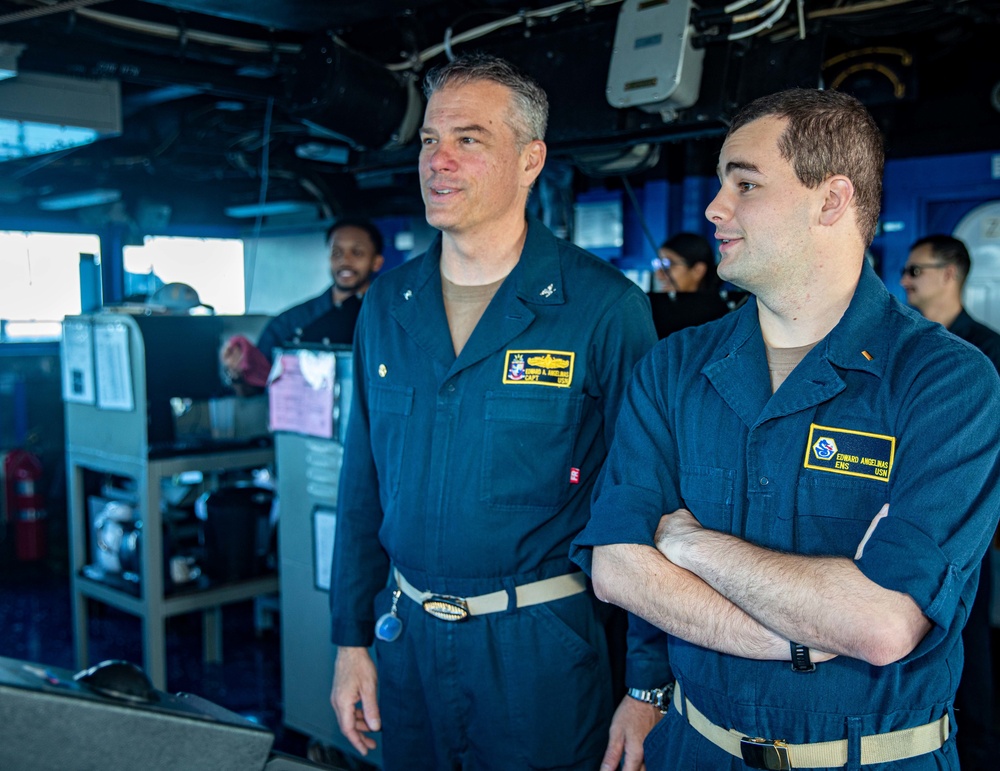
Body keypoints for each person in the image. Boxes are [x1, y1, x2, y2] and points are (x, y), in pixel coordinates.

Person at [571, 87, 1000, 770]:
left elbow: (883, 622)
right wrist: (801, 633)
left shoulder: (947, 381)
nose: (715, 207)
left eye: (745, 183)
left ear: (831, 199)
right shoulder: (675, 365)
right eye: (719, 184)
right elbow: (617, 567)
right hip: (696, 748)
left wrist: (688, 542)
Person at [327, 53, 662, 771]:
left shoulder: (602, 309)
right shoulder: (389, 303)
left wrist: (647, 680)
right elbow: (363, 484)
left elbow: (646, 503)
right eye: (428, 141)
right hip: (406, 637)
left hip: (538, 652)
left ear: (530, 158)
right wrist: (349, 639)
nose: (438, 160)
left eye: (468, 139)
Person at [901, 233, 1000, 771]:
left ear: (950, 274)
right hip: (906, 528)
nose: (906, 282)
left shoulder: (987, 352)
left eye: (917, 270)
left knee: (972, 657)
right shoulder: (904, 351)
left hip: (966, 532)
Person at [220, 218, 384, 387]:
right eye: (337, 252)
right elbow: (257, 384)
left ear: (376, 262)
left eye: (357, 253)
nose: (345, 261)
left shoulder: (385, 318)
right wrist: (237, 370)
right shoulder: (292, 321)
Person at [647, 232, 733, 338]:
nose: (659, 275)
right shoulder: (655, 311)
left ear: (698, 270)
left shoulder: (725, 315)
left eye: (668, 264)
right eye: (658, 264)